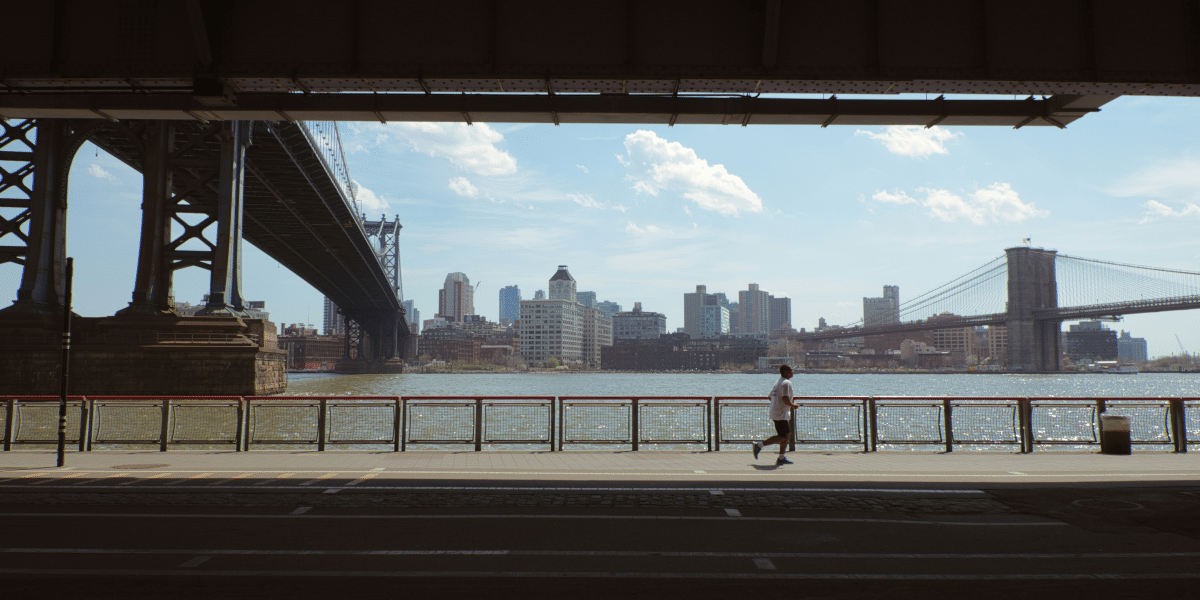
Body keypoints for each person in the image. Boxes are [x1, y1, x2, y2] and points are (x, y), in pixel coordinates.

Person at [752, 364, 798, 466]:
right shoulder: (786, 383)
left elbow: (769, 397)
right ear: (786, 372)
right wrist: (793, 405)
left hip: (778, 412)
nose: (793, 372)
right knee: (782, 436)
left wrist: (778, 404)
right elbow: (785, 398)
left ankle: (781, 457)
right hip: (780, 413)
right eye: (791, 371)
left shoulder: (778, 382)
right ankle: (759, 445)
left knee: (787, 435)